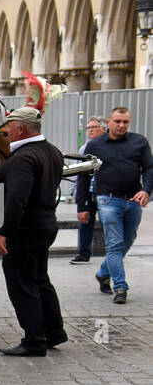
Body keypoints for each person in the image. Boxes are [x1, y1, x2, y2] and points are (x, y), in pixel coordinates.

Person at [0, 106, 66, 355]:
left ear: (21, 129)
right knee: (40, 280)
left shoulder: (23, 158)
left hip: (24, 230)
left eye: (10, 127)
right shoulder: (52, 151)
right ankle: (53, 331)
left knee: (22, 283)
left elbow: (17, 199)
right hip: (45, 224)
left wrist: (4, 231)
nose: (7, 131)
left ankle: (35, 339)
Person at [78, 106, 151, 304]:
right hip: (107, 200)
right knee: (115, 243)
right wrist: (82, 206)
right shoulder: (95, 145)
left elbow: (149, 168)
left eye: (125, 122)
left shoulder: (139, 142)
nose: (121, 125)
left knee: (128, 239)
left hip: (133, 200)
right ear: (108, 122)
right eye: (117, 121)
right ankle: (120, 286)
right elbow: (84, 177)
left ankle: (103, 273)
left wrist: (146, 190)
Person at [70, 116, 108, 264]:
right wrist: (75, 191)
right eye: (88, 128)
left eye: (94, 127)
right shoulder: (83, 148)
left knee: (108, 222)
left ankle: (112, 252)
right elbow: (77, 172)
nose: (90, 130)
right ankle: (84, 253)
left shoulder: (108, 145)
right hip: (88, 191)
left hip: (104, 191)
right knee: (85, 222)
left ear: (104, 129)